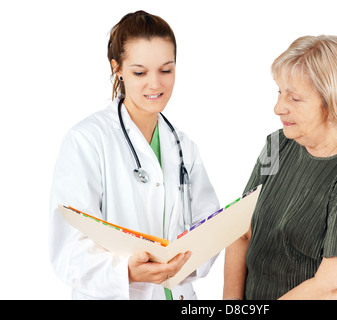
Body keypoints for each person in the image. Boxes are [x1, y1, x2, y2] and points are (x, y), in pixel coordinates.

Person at [49, 10, 219, 300]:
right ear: (118, 68)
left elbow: (208, 223)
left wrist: (188, 259)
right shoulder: (87, 140)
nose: (155, 84)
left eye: (166, 70)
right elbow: (69, 249)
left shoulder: (182, 145)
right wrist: (127, 271)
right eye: (140, 72)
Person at [223, 35, 337, 300]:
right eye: (279, 92)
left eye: (295, 99)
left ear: (332, 102)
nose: (278, 107)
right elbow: (240, 233)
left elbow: (333, 286)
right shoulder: (277, 146)